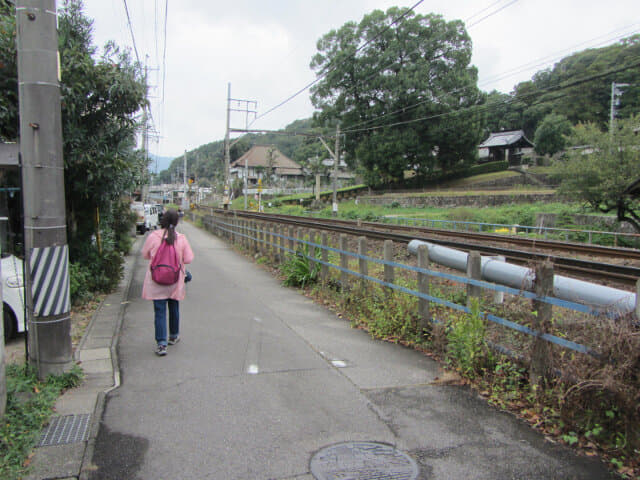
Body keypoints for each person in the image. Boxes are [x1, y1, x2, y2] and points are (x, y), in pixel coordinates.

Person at [141, 209, 194, 356]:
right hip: (174, 280)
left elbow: (145, 255)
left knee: (159, 312)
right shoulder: (181, 238)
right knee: (174, 306)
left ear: (162, 220)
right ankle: (173, 335)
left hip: (156, 281)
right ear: (176, 222)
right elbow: (189, 259)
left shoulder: (153, 236)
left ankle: (161, 344)